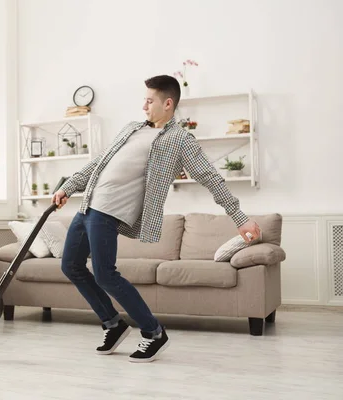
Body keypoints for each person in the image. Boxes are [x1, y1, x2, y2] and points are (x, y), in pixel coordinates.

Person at [51, 75, 261, 363]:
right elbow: (98, 163)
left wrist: (240, 218)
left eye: (149, 101)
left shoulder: (179, 139)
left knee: (104, 274)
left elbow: (210, 178)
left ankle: (153, 333)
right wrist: (68, 187)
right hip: (87, 206)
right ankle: (113, 324)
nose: (144, 106)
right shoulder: (131, 129)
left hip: (109, 212)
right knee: (71, 266)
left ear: (168, 103)